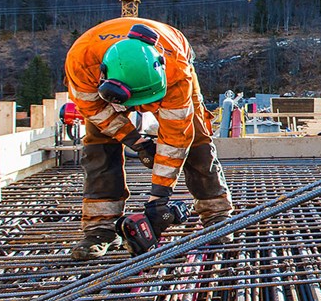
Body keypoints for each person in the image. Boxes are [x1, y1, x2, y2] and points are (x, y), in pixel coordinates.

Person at [64, 17, 233, 260]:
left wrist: (159, 199)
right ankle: (100, 229)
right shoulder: (82, 64)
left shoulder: (176, 72)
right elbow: (95, 112)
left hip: (173, 64)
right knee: (99, 147)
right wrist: (136, 141)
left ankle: (216, 213)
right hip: (97, 71)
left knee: (195, 138)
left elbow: (176, 138)